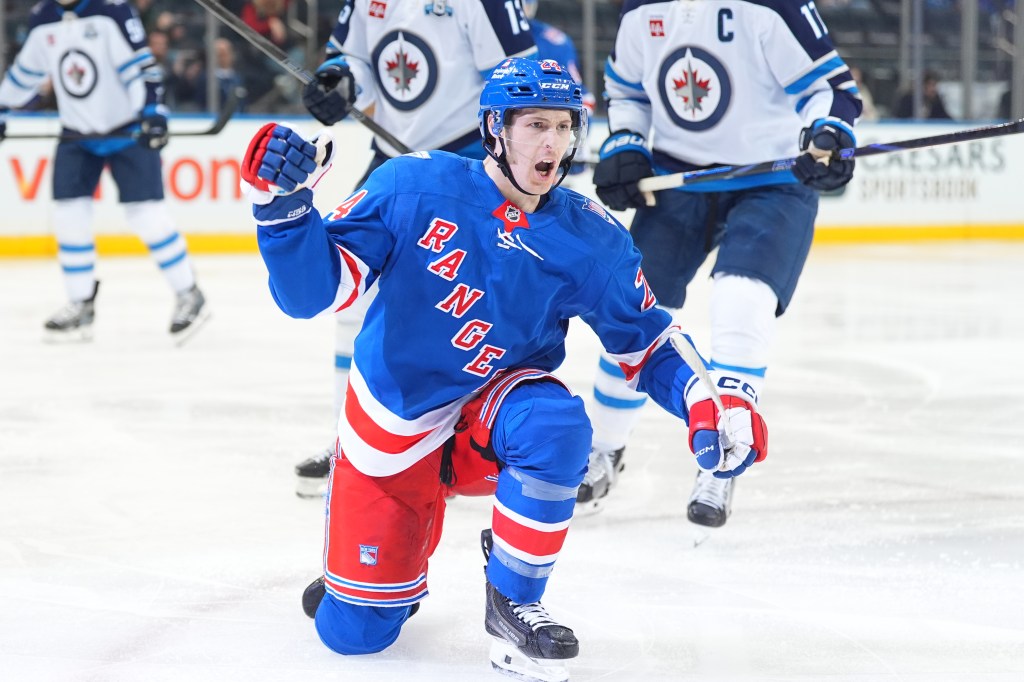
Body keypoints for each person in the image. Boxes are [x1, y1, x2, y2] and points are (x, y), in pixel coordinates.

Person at [242, 57, 767, 682]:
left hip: (495, 414)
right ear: (496, 128)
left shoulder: (587, 236)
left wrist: (709, 401)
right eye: (535, 124)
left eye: (565, 126)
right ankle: (367, 573)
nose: (553, 142)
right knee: (356, 635)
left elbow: (647, 340)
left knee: (557, 425)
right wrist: (282, 211)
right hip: (394, 428)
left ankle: (514, 598)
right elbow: (312, 295)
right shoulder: (411, 186)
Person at [582, 0, 861, 525]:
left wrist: (828, 132)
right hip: (678, 175)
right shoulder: (641, 9)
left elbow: (830, 90)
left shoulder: (772, 8)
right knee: (635, 307)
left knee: (742, 297)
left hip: (772, 176)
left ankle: (724, 450)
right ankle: (603, 447)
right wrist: (626, 141)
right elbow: (628, 90)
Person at [293, 0, 537, 498]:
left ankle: (471, 441)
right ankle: (351, 440)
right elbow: (352, 56)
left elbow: (519, 78)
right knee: (351, 297)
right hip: (394, 163)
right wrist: (341, 81)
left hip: (467, 162)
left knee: (471, 305)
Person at [0, 0, 208, 341]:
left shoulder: (112, 10)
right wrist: (2, 106)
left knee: (146, 216)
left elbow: (141, 67)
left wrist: (152, 111)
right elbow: (25, 74)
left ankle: (189, 292)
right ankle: (80, 302)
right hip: (76, 134)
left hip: (125, 131)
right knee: (69, 216)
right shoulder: (43, 17)